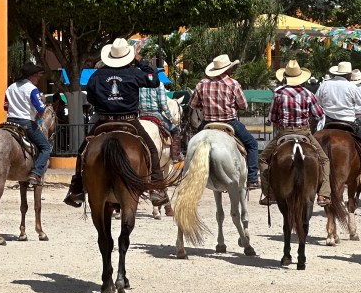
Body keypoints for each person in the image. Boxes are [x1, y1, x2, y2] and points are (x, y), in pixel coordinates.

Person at [63, 38, 168, 208]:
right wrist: (141, 61)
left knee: (83, 151)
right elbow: (154, 80)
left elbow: (90, 98)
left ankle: (77, 188)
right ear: (129, 57)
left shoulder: (97, 76)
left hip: (103, 120)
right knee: (151, 150)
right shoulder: (134, 73)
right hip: (130, 121)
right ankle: (157, 189)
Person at [261, 60, 330, 207]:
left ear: (285, 77)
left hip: (284, 133)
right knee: (324, 160)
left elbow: (273, 117)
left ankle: (269, 193)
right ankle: (323, 194)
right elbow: (319, 114)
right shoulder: (308, 93)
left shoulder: (278, 93)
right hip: (304, 132)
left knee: (263, 159)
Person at [189, 54, 260, 188]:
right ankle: (252, 179)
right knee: (252, 145)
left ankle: (187, 174)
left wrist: (204, 105)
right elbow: (243, 105)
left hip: (207, 124)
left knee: (191, 146)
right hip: (229, 123)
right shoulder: (232, 83)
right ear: (228, 70)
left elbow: (193, 104)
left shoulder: (201, 84)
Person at [315, 61, 361, 167]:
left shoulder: (324, 85)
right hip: (348, 122)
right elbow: (360, 104)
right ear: (349, 75)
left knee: (312, 144)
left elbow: (317, 102)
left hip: (327, 121)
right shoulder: (352, 87)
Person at [3, 62, 52, 187]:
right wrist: (43, 101)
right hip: (25, 123)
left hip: (9, 122)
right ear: (32, 76)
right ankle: (36, 173)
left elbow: (5, 107)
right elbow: (41, 110)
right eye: (37, 76)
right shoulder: (32, 89)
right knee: (46, 147)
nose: (38, 79)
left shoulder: (11, 87)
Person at [137, 60, 180, 159]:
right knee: (175, 130)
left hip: (141, 115)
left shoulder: (139, 84)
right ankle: (175, 156)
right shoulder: (158, 84)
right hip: (156, 115)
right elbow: (163, 104)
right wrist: (170, 118)